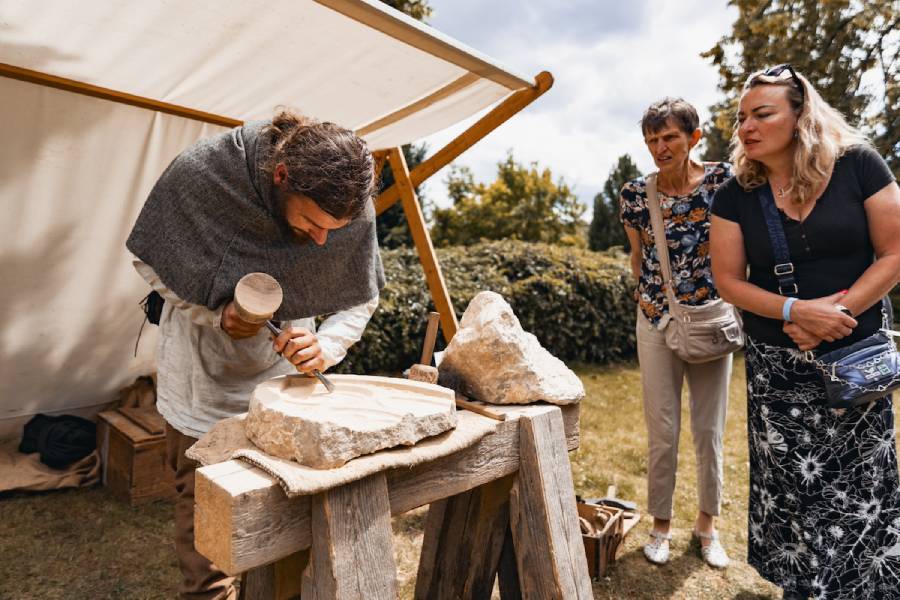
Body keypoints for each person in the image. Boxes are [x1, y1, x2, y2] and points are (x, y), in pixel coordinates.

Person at [126, 109, 384, 600]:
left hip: (287, 394)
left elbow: (361, 291)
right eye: (311, 222)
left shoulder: (348, 198)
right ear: (282, 177)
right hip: (200, 388)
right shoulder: (202, 176)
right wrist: (214, 315)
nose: (323, 240)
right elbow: (152, 260)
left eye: (336, 229)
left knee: (285, 530)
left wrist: (326, 345)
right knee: (207, 536)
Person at [710, 64, 900, 599]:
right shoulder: (735, 194)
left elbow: (894, 253)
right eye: (742, 117)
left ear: (801, 116)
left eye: (762, 113)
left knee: (862, 486)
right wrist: (796, 311)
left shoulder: (860, 165)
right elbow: (727, 280)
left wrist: (832, 318)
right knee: (795, 488)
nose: (746, 126)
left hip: (856, 357)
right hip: (778, 367)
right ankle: (806, 590)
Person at [619, 97, 733, 568]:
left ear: (694, 137)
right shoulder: (634, 193)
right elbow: (637, 256)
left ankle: (707, 526)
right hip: (656, 318)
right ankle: (661, 526)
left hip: (710, 319)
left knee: (709, 431)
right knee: (662, 431)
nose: (659, 147)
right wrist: (651, 303)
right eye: (651, 140)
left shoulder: (724, 181)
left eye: (668, 137)